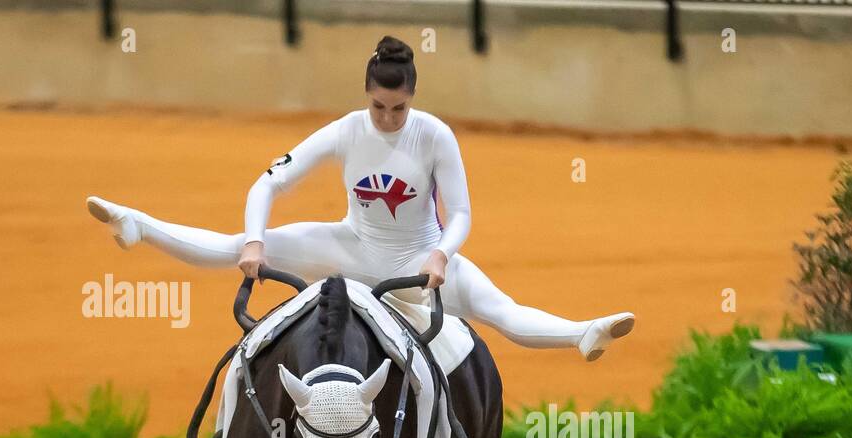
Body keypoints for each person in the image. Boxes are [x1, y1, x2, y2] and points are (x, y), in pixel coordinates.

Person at [86, 35, 635, 361]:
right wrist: (256, 241)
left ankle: (582, 333)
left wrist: (442, 253)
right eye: (379, 107)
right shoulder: (347, 130)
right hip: (348, 247)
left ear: (411, 98)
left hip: (416, 262)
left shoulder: (435, 135)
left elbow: (462, 211)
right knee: (233, 246)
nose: (388, 118)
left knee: (501, 312)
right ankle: (138, 225)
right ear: (367, 95)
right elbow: (268, 182)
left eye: (397, 109)